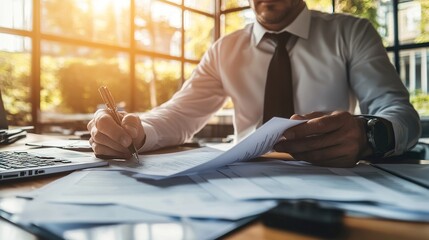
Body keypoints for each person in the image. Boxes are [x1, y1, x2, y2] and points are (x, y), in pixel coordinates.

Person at [87, 0, 421, 167]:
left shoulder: (351, 33)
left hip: (330, 178)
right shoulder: (224, 49)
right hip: (239, 180)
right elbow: (180, 114)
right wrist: (136, 130)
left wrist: (369, 134)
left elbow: (399, 112)